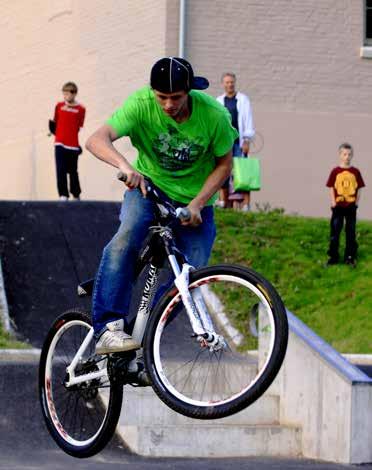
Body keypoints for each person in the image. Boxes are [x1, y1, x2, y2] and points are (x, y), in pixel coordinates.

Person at [85, 57, 238, 356]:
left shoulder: (214, 116)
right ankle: (108, 328)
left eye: (176, 98)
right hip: (148, 189)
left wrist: (198, 203)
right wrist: (125, 166)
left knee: (190, 275)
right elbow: (96, 140)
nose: (168, 105)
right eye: (162, 97)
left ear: (189, 92)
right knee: (126, 237)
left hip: (194, 201)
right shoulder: (140, 104)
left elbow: (224, 165)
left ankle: (143, 341)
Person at [216, 72, 255, 211]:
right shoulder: (219, 101)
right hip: (225, 142)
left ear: (235, 83)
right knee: (223, 170)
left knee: (242, 172)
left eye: (231, 82)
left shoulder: (243, 100)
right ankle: (223, 202)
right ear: (223, 84)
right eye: (227, 82)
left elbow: (248, 120)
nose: (229, 84)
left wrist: (247, 140)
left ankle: (245, 204)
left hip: (239, 141)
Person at [326, 143, 365, 267]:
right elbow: (331, 187)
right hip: (338, 206)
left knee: (350, 232)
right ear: (340, 155)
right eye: (344, 154)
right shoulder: (335, 171)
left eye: (349, 154)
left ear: (352, 155)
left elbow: (359, 188)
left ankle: (350, 257)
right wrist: (333, 203)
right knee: (335, 232)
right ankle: (333, 257)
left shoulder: (355, 172)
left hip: (351, 206)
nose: (347, 157)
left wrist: (356, 203)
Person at [52, 82, 86, 201]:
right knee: (60, 170)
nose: (65, 96)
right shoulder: (59, 106)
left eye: (68, 93)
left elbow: (79, 126)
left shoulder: (81, 109)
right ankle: (63, 195)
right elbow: (55, 121)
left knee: (73, 171)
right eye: (64, 93)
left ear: (74, 93)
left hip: (72, 145)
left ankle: (76, 194)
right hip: (59, 143)